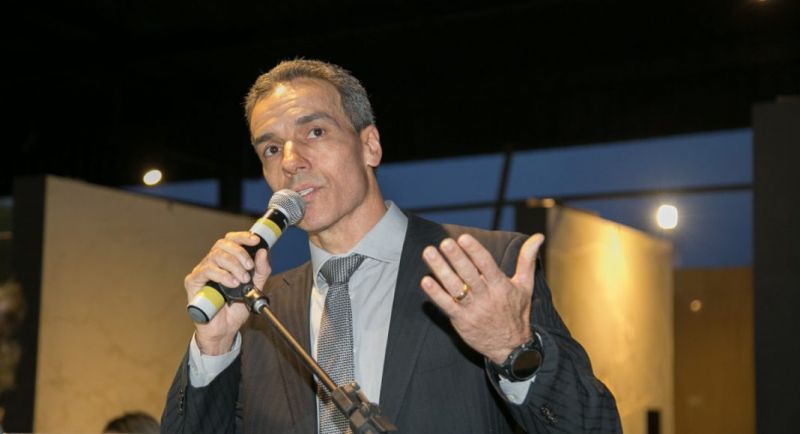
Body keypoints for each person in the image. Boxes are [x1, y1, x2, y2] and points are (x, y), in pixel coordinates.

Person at [161, 59, 621, 433]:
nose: (291, 162)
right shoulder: (259, 313)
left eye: (314, 132)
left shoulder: (484, 267)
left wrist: (513, 350)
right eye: (271, 149)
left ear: (370, 146)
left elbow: (592, 426)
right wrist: (214, 347)